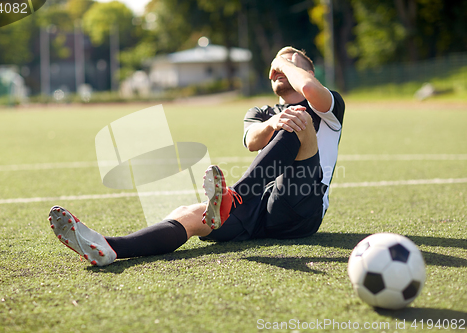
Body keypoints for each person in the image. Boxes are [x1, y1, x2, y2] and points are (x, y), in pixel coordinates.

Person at [47, 46, 345, 266]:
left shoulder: (327, 106)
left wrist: (283, 60)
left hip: (302, 207)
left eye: (289, 64)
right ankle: (109, 247)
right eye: (277, 67)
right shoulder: (259, 113)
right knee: (190, 214)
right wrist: (272, 121)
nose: (280, 69)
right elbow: (253, 142)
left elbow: (306, 86)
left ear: (309, 72)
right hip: (259, 208)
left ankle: (233, 197)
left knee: (298, 119)